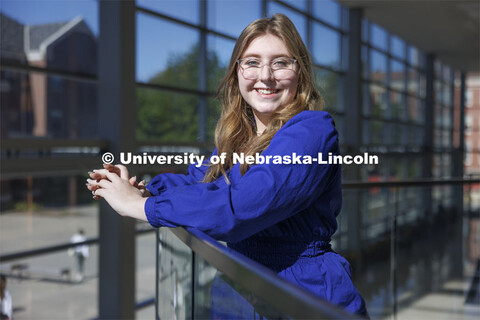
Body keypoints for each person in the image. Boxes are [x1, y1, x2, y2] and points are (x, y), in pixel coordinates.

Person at [87, 14, 368, 316]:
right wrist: (145, 190)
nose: (266, 76)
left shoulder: (312, 131)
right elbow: (202, 181)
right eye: (252, 62)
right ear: (236, 72)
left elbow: (240, 207)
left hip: (302, 293)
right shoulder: (239, 138)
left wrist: (142, 208)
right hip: (240, 288)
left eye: (280, 62)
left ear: (300, 71)